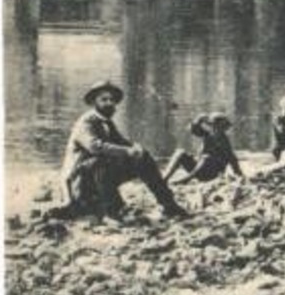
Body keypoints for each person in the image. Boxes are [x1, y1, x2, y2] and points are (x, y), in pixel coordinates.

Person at [54, 80, 189, 220]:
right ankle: (112, 212)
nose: (109, 103)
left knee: (142, 157)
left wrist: (136, 149)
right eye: (104, 99)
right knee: (101, 160)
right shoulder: (86, 122)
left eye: (112, 100)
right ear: (94, 102)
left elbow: (121, 142)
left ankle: (168, 204)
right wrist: (127, 152)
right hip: (79, 182)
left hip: (97, 178)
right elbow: (95, 146)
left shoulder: (106, 122)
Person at [163, 112, 244, 187]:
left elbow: (233, 160)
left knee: (207, 158)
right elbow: (193, 129)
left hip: (212, 173)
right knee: (180, 152)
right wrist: (198, 120)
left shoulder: (224, 142)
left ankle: (186, 179)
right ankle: (165, 178)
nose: (215, 129)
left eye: (219, 127)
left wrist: (240, 176)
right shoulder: (208, 135)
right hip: (199, 169)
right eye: (213, 126)